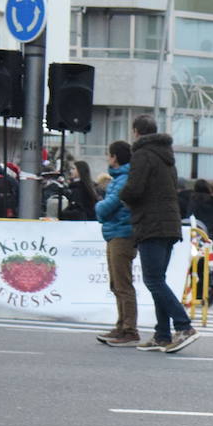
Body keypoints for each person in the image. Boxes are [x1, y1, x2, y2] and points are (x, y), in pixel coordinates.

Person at [119, 114, 199, 353]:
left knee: (153, 280)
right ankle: (162, 334)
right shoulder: (167, 157)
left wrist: (122, 196)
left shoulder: (142, 155)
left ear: (136, 132)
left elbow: (135, 189)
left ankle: (183, 326)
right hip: (169, 223)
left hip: (151, 223)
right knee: (159, 279)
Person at [93, 141, 139, 347]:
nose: (107, 158)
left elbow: (106, 208)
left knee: (122, 283)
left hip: (121, 233)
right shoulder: (121, 179)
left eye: (109, 155)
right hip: (117, 232)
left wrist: (98, 206)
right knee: (117, 283)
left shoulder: (122, 181)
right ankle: (122, 325)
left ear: (115, 157)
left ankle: (129, 328)